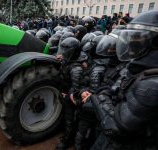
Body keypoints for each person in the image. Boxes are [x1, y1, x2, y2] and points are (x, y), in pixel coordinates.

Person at [86, 10, 158, 150]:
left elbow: (115, 128)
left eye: (138, 38)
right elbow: (117, 87)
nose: (131, 43)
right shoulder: (140, 68)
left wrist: (98, 96)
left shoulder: (152, 84)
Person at [55, 37, 84, 150]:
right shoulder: (67, 62)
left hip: (70, 99)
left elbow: (75, 90)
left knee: (70, 120)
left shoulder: (76, 68)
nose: (63, 53)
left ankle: (67, 141)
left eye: (66, 50)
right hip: (64, 94)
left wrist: (66, 97)